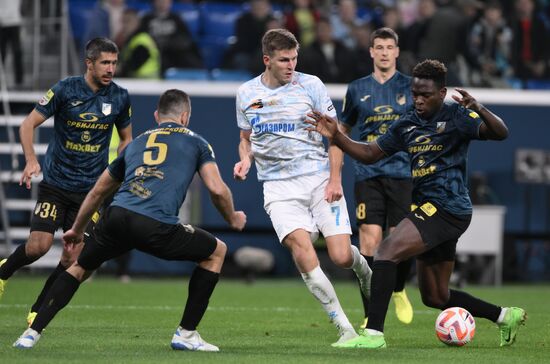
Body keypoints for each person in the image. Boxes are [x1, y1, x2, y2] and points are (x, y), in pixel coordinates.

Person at [306, 59, 526, 349]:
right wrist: (337, 136)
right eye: (415, 94)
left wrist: (479, 108)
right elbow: (371, 153)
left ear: (442, 92)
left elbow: (501, 133)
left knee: (385, 250)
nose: (419, 100)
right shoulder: (407, 121)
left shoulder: (458, 116)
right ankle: (503, 316)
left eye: (426, 95)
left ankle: (373, 334)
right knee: (435, 296)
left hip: (447, 207)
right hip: (428, 207)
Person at [13, 89, 247, 350]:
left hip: (116, 217)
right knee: (217, 251)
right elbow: (217, 189)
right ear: (185, 117)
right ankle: (186, 334)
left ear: (157, 116)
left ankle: (31, 333)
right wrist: (233, 216)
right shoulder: (197, 142)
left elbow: (98, 192)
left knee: (78, 268)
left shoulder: (134, 143)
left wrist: (77, 230)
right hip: (154, 225)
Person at [233, 28, 372, 346]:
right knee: (301, 247)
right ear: (267, 60)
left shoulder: (312, 86)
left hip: (319, 179)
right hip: (278, 188)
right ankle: (345, 328)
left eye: (294, 58)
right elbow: (246, 138)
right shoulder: (246, 94)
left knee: (339, 257)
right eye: (284, 60)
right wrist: (245, 161)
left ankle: (364, 271)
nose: (291, 65)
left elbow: (335, 135)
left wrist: (335, 178)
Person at [0, 38, 133, 327]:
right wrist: (31, 159)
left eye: (114, 62)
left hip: (91, 192)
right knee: (39, 246)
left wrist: (120, 167)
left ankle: (38, 307)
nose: (111, 68)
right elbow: (27, 124)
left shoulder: (120, 97)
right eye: (105, 63)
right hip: (57, 184)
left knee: (74, 260)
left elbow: (126, 140)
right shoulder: (64, 89)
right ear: (89, 63)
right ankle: (3, 273)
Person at [340, 27, 414, 329]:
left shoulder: (411, 87)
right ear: (371, 51)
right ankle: (371, 313)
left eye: (389, 47)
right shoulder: (356, 88)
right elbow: (341, 132)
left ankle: (398, 288)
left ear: (397, 51)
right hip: (367, 174)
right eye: (378, 47)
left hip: (403, 173)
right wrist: (333, 175)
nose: (384, 52)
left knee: (400, 241)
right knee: (369, 243)